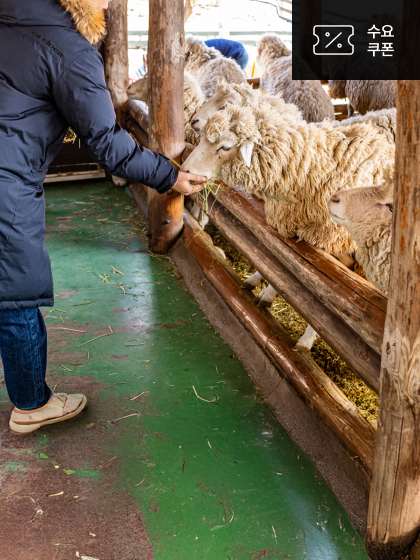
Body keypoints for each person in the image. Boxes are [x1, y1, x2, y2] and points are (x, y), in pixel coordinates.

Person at [0, 0, 205, 434]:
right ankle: (32, 404)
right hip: (6, 180)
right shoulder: (70, 50)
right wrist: (170, 176)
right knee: (15, 292)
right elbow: (108, 144)